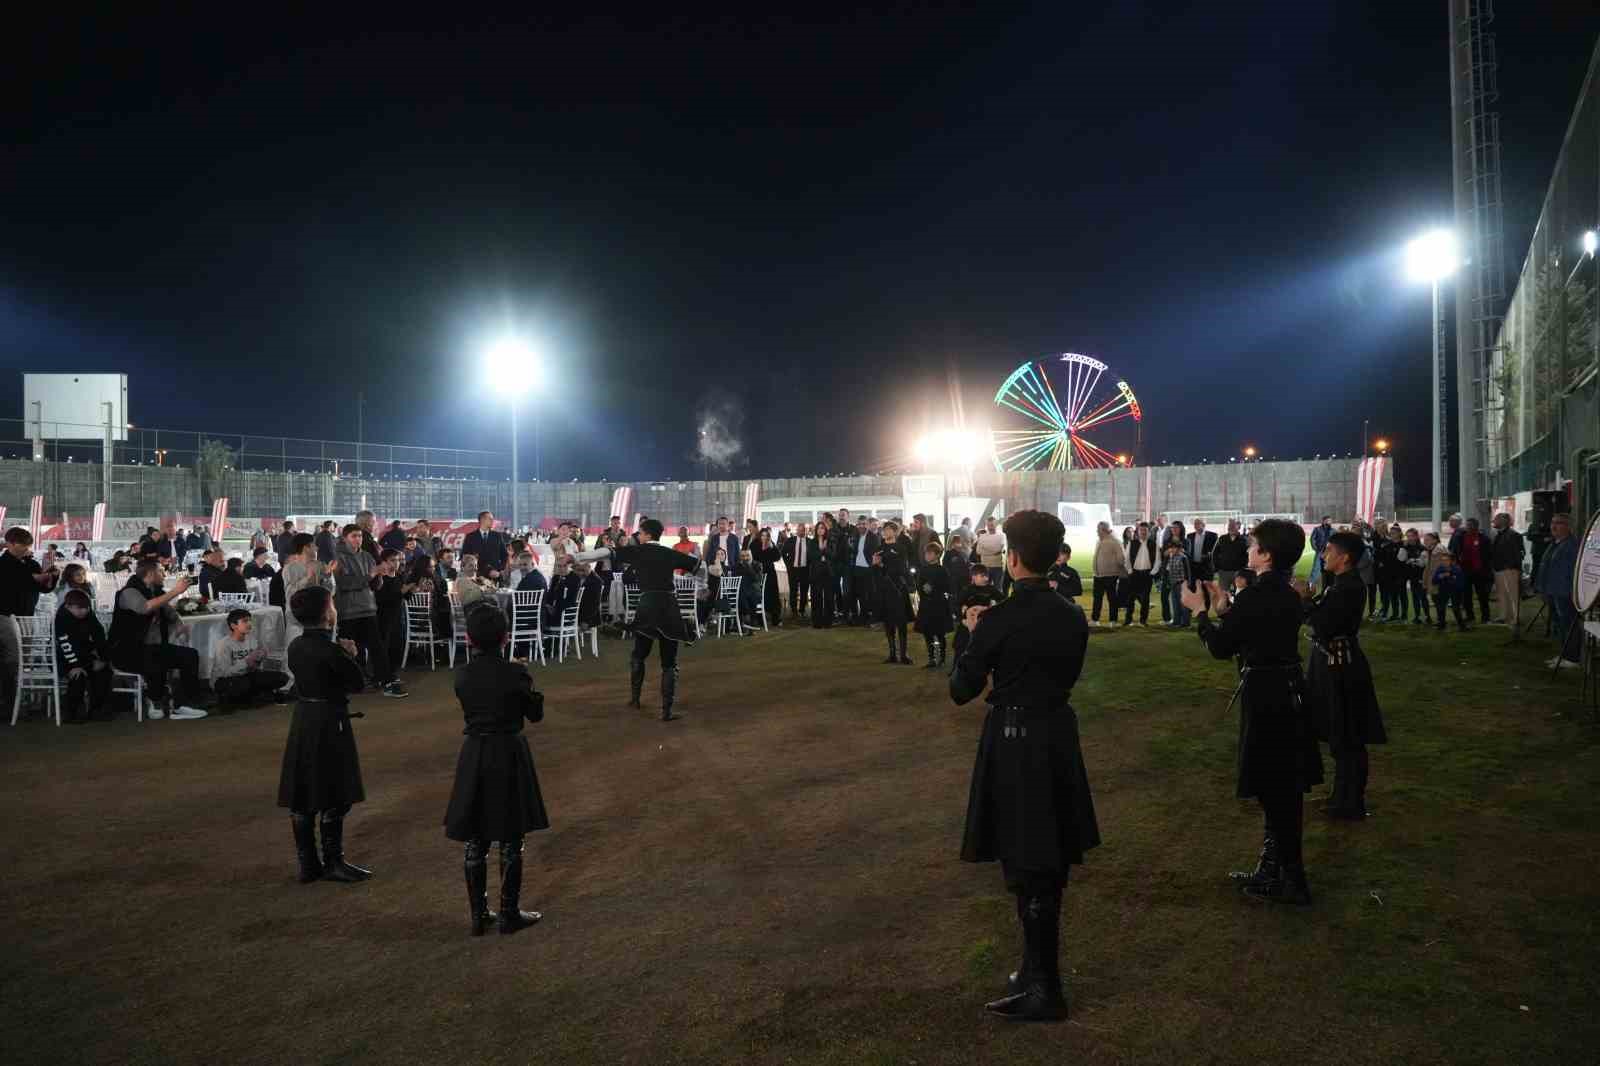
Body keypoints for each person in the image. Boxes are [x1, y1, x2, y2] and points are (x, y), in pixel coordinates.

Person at [950, 509, 1098, 1022]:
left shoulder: (1000, 619)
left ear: (1012, 558)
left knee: (1029, 860)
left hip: (1016, 741)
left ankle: (1044, 987)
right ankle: (1034, 970)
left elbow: (961, 689)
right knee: (1047, 856)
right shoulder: (1072, 614)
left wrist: (971, 636)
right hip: (1057, 734)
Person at [1180, 518, 1320, 905]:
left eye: (1253, 544)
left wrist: (1200, 612)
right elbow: (1257, 634)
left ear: (1267, 555)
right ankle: (1273, 870)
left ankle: (1290, 880)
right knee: (1282, 788)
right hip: (1287, 691)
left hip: (1269, 697)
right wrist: (1226, 610)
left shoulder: (1257, 596)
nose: (1248, 549)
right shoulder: (1287, 594)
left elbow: (1222, 648)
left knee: (1276, 791)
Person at [444, 604, 548, 936]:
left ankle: (479, 916)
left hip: (475, 751)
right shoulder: (515, 674)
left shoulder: (462, 675)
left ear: (469, 639)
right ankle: (508, 913)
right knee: (511, 837)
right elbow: (535, 715)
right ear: (505, 638)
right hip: (508, 751)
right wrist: (526, 679)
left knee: (476, 839)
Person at [277, 586, 372, 884]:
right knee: (336, 791)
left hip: (304, 718)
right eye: (331, 605)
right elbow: (357, 683)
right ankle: (333, 862)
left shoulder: (296, 646)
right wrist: (352, 654)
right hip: (330, 720)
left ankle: (308, 864)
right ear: (326, 614)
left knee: (303, 791)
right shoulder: (331, 650)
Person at [574, 519, 702, 721]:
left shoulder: (637, 551)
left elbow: (605, 552)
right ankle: (667, 711)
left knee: (639, 654)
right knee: (669, 662)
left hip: (647, 606)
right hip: (669, 606)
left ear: (648, 535)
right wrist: (703, 587)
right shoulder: (670, 553)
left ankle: (635, 699)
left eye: (640, 533)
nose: (638, 536)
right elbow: (699, 566)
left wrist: (577, 557)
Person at [1298, 532, 1386, 821]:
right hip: (1333, 662)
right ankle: (1342, 796)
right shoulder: (1341, 584)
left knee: (1347, 734)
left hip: (1341, 667)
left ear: (1344, 557)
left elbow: (1323, 624)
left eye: (1329, 550)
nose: (1324, 555)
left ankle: (1350, 802)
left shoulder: (1348, 587)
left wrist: (1305, 600)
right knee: (1340, 734)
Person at [108, 560, 207, 720]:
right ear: (150, 574)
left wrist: (179, 624)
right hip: (125, 651)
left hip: (151, 647)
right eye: (161, 571)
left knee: (190, 655)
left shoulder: (155, 591)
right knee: (154, 657)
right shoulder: (128, 592)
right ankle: (154, 700)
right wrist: (176, 591)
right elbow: (145, 607)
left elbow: (170, 612)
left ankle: (184, 704)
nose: (164, 575)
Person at [334, 523, 409, 699]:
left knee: (377, 647)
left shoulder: (367, 556)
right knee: (350, 650)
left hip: (368, 608)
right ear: (345, 538)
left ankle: (386, 681)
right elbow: (344, 584)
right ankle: (350, 682)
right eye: (354, 536)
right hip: (348, 610)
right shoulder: (338, 558)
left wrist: (380, 576)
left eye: (360, 536)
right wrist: (371, 575)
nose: (358, 539)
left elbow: (374, 585)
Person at [211, 608, 292, 707]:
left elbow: (255, 667)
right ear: (233, 625)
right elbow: (225, 672)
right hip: (225, 680)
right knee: (244, 684)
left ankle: (251, 696)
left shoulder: (252, 639)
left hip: (247, 676)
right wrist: (247, 662)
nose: (249, 624)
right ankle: (232, 698)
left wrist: (261, 657)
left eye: (250, 620)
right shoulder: (224, 644)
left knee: (282, 677)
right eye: (245, 621)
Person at [55, 589, 112, 724]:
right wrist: (75, 666)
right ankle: (72, 713)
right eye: (79, 608)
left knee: (104, 671)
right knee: (78, 676)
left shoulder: (87, 613)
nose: (84, 611)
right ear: (68, 607)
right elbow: (65, 645)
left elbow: (99, 634)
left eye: (86, 608)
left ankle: (96, 709)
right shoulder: (61, 618)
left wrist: (103, 659)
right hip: (63, 658)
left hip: (83, 654)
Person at [1537, 514, 1580, 669]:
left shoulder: (1572, 545)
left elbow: (1573, 572)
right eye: (1552, 522)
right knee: (1559, 625)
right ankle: (1564, 654)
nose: (1554, 526)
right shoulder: (1555, 543)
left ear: (1568, 527)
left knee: (1568, 625)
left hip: (1564, 592)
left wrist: (1571, 592)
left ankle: (1572, 658)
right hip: (1553, 591)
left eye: (1559, 523)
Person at [872, 520, 914, 664]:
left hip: (898, 589)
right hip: (884, 589)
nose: (885, 532)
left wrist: (882, 565)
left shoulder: (900, 548)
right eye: (884, 530)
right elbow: (875, 571)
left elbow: (902, 568)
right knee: (888, 622)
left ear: (895, 532)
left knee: (901, 622)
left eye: (888, 529)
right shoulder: (879, 548)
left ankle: (903, 654)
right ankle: (892, 654)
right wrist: (876, 565)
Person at [950, 564, 1003, 669]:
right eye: (982, 576)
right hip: (967, 623)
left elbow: (1003, 601)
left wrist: (991, 607)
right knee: (960, 645)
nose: (986, 578)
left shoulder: (991, 589)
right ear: (973, 577)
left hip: (984, 623)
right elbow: (956, 605)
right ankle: (956, 668)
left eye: (987, 576)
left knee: (985, 646)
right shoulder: (967, 590)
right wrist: (962, 620)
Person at [373, 549, 411, 675]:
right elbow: (381, 599)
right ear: (384, 562)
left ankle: (392, 674)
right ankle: (384, 675)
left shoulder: (399, 577)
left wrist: (413, 589)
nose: (396, 563)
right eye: (392, 560)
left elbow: (405, 596)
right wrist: (401, 593)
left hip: (398, 616)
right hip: (384, 617)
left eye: (398, 560)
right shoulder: (381, 579)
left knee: (397, 645)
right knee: (385, 645)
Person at [915, 540, 952, 668]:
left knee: (940, 632)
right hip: (926, 604)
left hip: (938, 604)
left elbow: (947, 586)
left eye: (930, 553)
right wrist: (923, 589)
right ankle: (931, 658)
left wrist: (934, 588)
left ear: (937, 555)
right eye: (926, 553)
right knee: (927, 632)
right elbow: (919, 584)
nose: (927, 555)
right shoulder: (923, 569)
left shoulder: (942, 570)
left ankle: (942, 657)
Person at [1488, 513, 1525, 627]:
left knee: (1513, 594)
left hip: (1509, 569)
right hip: (1499, 568)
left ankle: (1516, 617)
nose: (1494, 521)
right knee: (1501, 593)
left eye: (1496, 519)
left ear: (1503, 521)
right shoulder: (1498, 534)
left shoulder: (1513, 535)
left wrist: (1512, 567)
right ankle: (1503, 616)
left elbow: (1518, 553)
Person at [1451, 517, 1492, 623]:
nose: (1468, 527)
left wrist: (1486, 569)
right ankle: (1470, 616)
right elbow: (1455, 551)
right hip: (1465, 570)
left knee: (1482, 595)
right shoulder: (1460, 537)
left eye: (1471, 525)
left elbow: (1489, 555)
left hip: (1480, 571)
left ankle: (1485, 617)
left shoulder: (1484, 539)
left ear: (1476, 526)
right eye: (1467, 525)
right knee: (1466, 596)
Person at [1122, 522, 1159, 627]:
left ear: (1149, 532)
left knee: (1145, 599)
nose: (1143, 532)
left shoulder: (1153, 544)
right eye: (1141, 530)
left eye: (1145, 530)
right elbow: (1126, 559)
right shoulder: (1132, 543)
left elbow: (1158, 560)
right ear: (1138, 532)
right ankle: (1128, 620)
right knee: (1131, 598)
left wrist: (1152, 573)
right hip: (1134, 574)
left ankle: (1143, 621)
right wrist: (1130, 571)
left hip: (1147, 574)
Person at [1090, 522, 1126, 627]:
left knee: (1112, 599)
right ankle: (1095, 620)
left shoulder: (1115, 541)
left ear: (1104, 530)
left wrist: (1119, 569)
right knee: (1097, 598)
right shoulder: (1099, 541)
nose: (1097, 531)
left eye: (1098, 529)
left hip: (1110, 575)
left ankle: (1113, 621)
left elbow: (1121, 558)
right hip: (1098, 575)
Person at [849, 516, 881, 626]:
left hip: (869, 568)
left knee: (870, 594)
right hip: (857, 568)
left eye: (864, 524)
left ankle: (873, 617)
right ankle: (863, 616)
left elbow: (876, 553)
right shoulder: (856, 536)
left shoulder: (873, 537)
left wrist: (872, 564)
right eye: (859, 524)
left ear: (868, 525)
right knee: (861, 594)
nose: (861, 526)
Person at [1429, 551, 1470, 632]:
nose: (1444, 562)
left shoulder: (1457, 569)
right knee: (1441, 607)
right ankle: (1442, 625)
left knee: (1456, 608)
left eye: (1446, 560)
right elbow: (1434, 581)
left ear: (1451, 561)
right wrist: (1440, 577)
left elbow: (1460, 583)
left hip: (1455, 591)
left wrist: (1450, 577)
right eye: (1442, 560)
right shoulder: (1440, 568)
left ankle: (1462, 626)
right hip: (1443, 591)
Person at [751, 528, 783, 626]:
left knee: (773, 595)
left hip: (770, 573)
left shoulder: (771, 544)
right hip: (758, 572)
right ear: (760, 535)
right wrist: (763, 549)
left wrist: (772, 547)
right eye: (762, 535)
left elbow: (777, 557)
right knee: (759, 595)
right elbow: (754, 557)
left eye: (766, 535)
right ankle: (759, 619)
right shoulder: (755, 544)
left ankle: (775, 618)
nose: (764, 537)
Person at [809, 518, 836, 629]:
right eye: (819, 528)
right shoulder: (812, 542)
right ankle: (817, 621)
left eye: (823, 528)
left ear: (825, 530)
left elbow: (833, 556)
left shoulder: (830, 541)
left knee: (829, 597)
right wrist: (821, 550)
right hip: (816, 573)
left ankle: (828, 621)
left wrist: (824, 549)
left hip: (828, 572)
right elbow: (811, 556)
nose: (820, 530)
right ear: (816, 530)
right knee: (816, 597)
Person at [783, 521, 812, 618]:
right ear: (796, 530)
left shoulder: (810, 542)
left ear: (806, 531)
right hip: (793, 569)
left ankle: (802, 610)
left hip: (805, 570)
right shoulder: (790, 540)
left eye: (803, 530)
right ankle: (794, 610)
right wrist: (788, 565)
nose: (801, 532)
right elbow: (783, 553)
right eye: (799, 530)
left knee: (804, 591)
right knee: (793, 591)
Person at [1212, 519, 1248, 592]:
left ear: (1238, 527)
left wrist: (1243, 568)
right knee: (1223, 594)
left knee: (1239, 593)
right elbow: (1214, 553)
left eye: (1233, 526)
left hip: (1239, 572)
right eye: (1229, 526)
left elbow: (1247, 555)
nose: (1230, 528)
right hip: (1223, 572)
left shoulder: (1244, 540)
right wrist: (1217, 567)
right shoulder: (1222, 538)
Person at [1161, 541, 1191, 627]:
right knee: (1175, 603)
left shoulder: (1183, 557)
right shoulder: (1171, 557)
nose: (1172, 549)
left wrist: (1187, 583)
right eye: (1171, 548)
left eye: (1174, 548)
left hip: (1181, 583)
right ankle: (1176, 621)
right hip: (1173, 583)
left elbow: (1187, 572)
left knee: (1183, 604)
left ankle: (1185, 622)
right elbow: (1168, 570)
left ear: (1179, 549)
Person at [973, 517, 1007, 588]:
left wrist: (986, 550)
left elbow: (1000, 549)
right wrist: (994, 552)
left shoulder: (1002, 535)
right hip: (985, 566)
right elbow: (978, 551)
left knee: (998, 588)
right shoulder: (982, 536)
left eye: (992, 525)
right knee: (984, 588)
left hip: (997, 566)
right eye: (988, 525)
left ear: (996, 524)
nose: (990, 527)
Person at [1308, 516, 1334, 588]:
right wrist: (1316, 548)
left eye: (1330, 521)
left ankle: (1328, 584)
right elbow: (1312, 539)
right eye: (1327, 521)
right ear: (1323, 521)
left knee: (1328, 568)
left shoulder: (1333, 531)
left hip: (1329, 552)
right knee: (1316, 567)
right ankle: (1311, 583)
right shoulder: (1317, 529)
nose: (1329, 522)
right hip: (1320, 551)